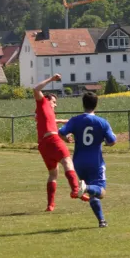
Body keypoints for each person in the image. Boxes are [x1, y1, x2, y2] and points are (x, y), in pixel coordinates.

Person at [58, 92, 117, 228]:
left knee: (93, 194)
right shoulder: (102, 122)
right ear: (96, 104)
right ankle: (86, 187)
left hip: (78, 161)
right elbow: (112, 141)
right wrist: (107, 142)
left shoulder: (75, 120)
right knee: (100, 191)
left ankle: (101, 221)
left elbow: (61, 132)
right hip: (95, 161)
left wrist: (66, 138)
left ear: (83, 104)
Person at [34, 74, 86, 211]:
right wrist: (51, 79)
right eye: (54, 101)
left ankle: (50, 205)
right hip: (51, 140)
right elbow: (35, 89)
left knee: (53, 174)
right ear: (47, 99)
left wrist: (63, 128)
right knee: (68, 162)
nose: (55, 104)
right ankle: (76, 190)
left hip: (44, 145)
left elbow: (47, 124)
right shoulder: (42, 102)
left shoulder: (45, 112)